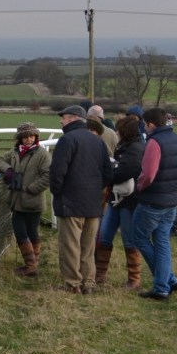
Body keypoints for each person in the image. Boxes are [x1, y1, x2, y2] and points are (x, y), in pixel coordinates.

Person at [49, 105, 113, 294]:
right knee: (87, 246)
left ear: (73, 118)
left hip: (70, 202)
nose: (61, 121)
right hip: (93, 202)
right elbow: (108, 173)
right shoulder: (98, 142)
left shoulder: (67, 140)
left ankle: (73, 283)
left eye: (64, 117)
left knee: (70, 245)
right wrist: (96, 190)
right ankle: (89, 283)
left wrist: (58, 192)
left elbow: (57, 172)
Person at [133, 108, 177, 300]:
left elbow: (148, 174)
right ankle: (167, 282)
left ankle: (164, 283)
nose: (144, 127)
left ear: (151, 124)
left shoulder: (154, 142)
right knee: (162, 241)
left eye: (145, 124)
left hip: (152, 201)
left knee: (139, 238)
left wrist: (139, 187)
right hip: (171, 201)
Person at [94, 116, 146, 289]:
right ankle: (99, 274)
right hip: (116, 198)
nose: (116, 132)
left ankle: (134, 278)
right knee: (104, 234)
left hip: (129, 200)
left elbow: (124, 172)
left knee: (128, 239)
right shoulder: (126, 146)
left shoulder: (135, 149)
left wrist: (108, 173)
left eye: (119, 130)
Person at [0, 122, 51, 276]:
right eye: (25, 137)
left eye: (32, 136)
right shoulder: (14, 152)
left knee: (29, 232)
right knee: (22, 231)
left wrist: (32, 189)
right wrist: (9, 169)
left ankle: (31, 266)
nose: (29, 139)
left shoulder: (42, 154)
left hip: (33, 201)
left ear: (36, 137)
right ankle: (32, 265)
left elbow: (49, 175)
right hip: (16, 200)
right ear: (20, 139)